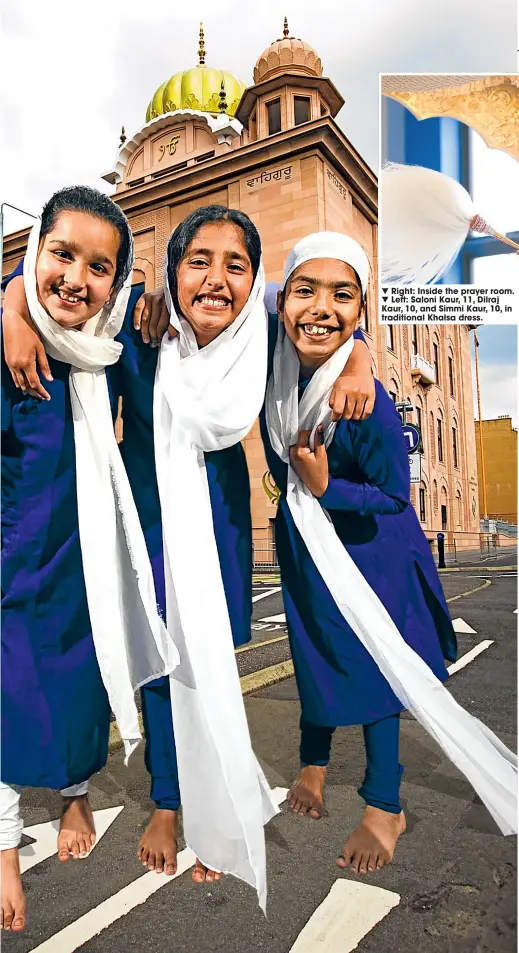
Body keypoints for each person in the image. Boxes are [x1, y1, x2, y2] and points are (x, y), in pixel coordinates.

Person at [2, 209, 376, 895]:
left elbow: (320, 328)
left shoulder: (262, 339)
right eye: (197, 259)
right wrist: (11, 306)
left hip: (220, 522)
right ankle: (171, 802)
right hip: (143, 521)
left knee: (207, 670)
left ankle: (210, 808)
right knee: (159, 671)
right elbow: (67, 322)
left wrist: (359, 355)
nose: (215, 278)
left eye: (236, 264)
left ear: (253, 277)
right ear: (171, 269)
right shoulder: (140, 334)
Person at [261, 231, 517, 876]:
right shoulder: (279, 362)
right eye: (305, 291)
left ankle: (385, 803)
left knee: (376, 666)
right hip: (307, 548)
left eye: (342, 296)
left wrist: (327, 485)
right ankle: (313, 767)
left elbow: (395, 497)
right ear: (284, 298)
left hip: (370, 550)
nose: (320, 308)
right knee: (315, 659)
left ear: (362, 310)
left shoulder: (365, 400)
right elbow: (223, 294)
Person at [0, 186, 177, 932]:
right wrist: (9, 306)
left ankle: (75, 792)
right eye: (60, 253)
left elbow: (245, 311)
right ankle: (5, 847)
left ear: (119, 277)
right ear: (34, 249)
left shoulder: (107, 347)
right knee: (7, 701)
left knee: (76, 697)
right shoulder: (12, 339)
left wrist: (359, 347)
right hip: (10, 562)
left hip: (81, 561)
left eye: (99, 266)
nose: (75, 277)